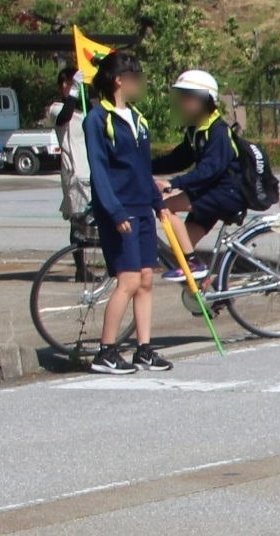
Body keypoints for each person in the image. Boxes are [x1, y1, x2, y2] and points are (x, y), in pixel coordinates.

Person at [83, 51, 173, 374]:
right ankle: (106, 351)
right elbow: (99, 170)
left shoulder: (138, 119)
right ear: (119, 80)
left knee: (147, 279)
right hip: (118, 210)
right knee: (129, 279)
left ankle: (144, 349)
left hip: (141, 207)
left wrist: (158, 202)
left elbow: (141, 168)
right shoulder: (96, 119)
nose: (139, 84)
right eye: (134, 78)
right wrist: (113, 209)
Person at [153, 70, 247, 283]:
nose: (180, 103)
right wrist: (143, 167)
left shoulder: (218, 132)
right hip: (211, 192)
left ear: (201, 100)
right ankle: (210, 287)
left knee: (165, 206)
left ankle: (195, 263)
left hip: (226, 193)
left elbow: (209, 170)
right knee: (179, 251)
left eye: (185, 98)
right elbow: (179, 159)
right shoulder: (197, 129)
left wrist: (172, 184)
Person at [48, 67, 94, 248]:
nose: (69, 86)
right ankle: (80, 266)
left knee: (92, 221)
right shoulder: (56, 109)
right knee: (77, 222)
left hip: (91, 170)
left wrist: (84, 91)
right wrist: (74, 91)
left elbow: (94, 116)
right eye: (67, 83)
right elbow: (64, 116)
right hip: (74, 172)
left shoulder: (84, 110)